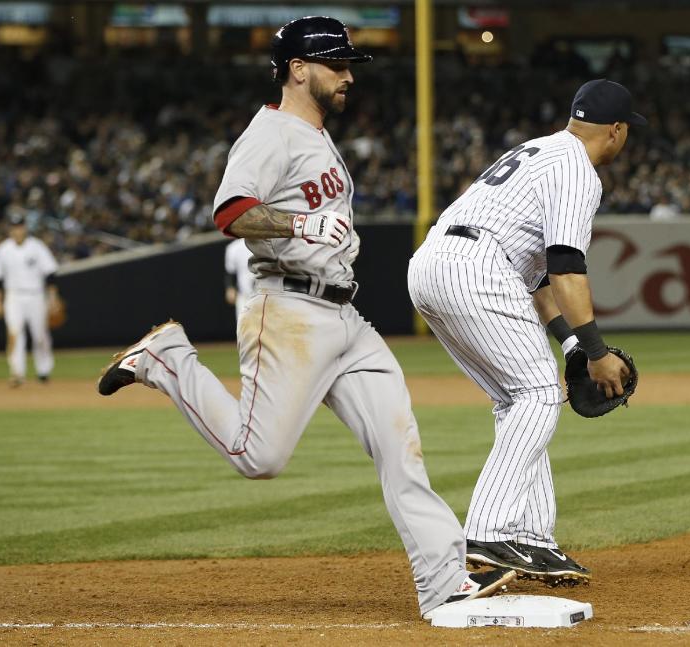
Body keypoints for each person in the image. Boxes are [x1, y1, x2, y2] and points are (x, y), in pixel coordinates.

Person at [97, 16, 514, 619]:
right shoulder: (271, 134)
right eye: (337, 66)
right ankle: (166, 360)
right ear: (299, 69)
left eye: (348, 67)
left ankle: (445, 583)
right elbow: (230, 212)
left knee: (402, 448)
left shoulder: (316, 136)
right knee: (258, 457)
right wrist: (299, 223)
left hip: (345, 319)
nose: (348, 77)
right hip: (288, 308)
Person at [407, 79, 643, 585]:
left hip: (432, 264)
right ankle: (489, 530)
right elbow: (565, 268)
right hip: (477, 267)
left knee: (517, 399)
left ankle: (533, 540)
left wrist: (574, 343)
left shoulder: (539, 150)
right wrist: (598, 352)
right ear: (617, 130)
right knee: (537, 391)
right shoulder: (579, 170)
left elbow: (537, 286)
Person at [0, 214, 61, 386]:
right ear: (10, 229)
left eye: (20, 226)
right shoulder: (3, 249)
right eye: (14, 226)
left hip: (36, 295)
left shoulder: (36, 247)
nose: (17, 229)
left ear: (25, 227)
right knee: (14, 334)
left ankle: (43, 371)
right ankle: (17, 373)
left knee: (40, 335)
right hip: (13, 296)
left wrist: (53, 298)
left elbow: (50, 274)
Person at [223, 239, 255, 321]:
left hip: (266, 293)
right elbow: (230, 272)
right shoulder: (233, 248)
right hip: (244, 295)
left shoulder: (264, 242)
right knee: (244, 327)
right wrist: (230, 287)